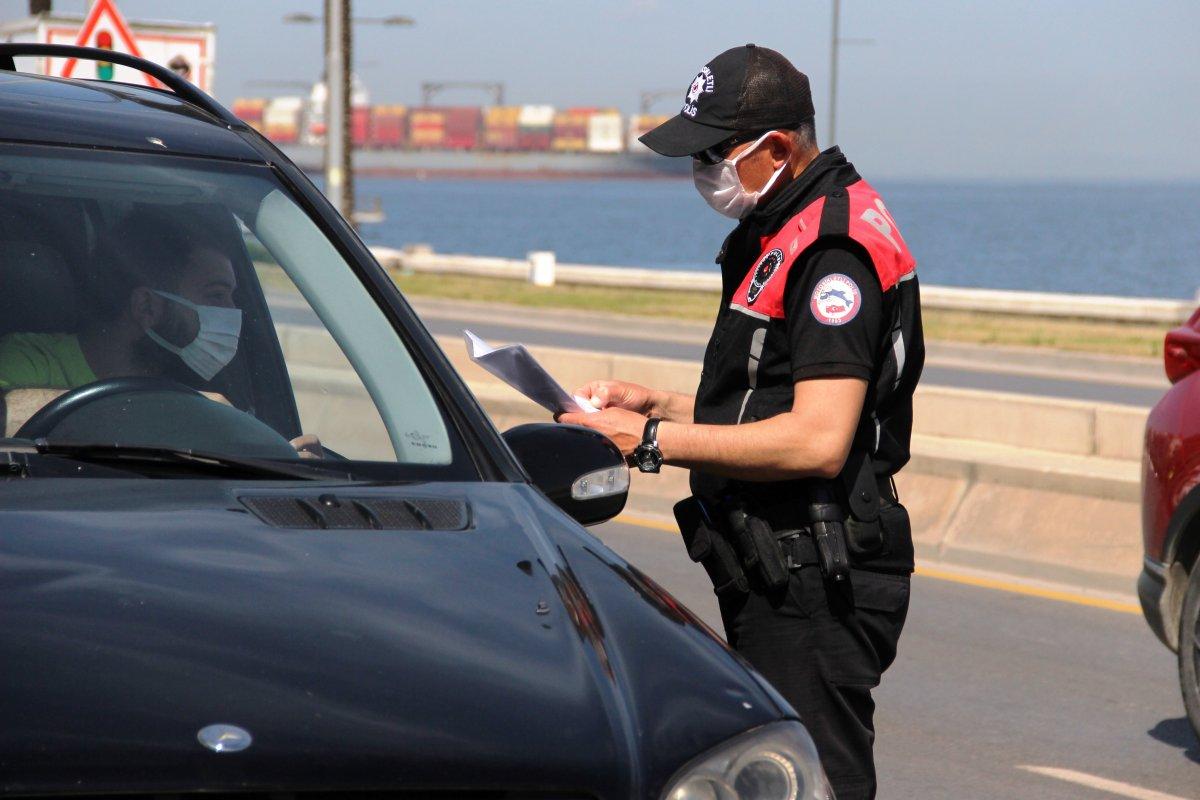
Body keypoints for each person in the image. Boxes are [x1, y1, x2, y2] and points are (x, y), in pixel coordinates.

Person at [557, 44, 923, 800]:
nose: (702, 172)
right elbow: (767, 402)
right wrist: (654, 404)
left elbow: (818, 439)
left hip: (818, 579)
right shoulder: (786, 224)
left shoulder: (831, 251)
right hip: (778, 568)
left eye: (716, 154)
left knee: (814, 782)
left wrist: (649, 444)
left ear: (778, 147)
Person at [0, 210, 321, 456]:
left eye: (232, 297)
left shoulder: (202, 382)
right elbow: (7, 413)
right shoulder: (30, 361)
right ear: (147, 307)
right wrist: (177, 415)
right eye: (215, 296)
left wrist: (282, 461)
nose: (233, 313)